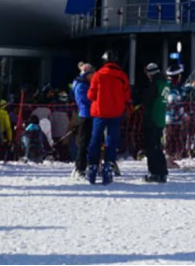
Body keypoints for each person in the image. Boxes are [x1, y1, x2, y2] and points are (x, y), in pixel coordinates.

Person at [86, 51, 130, 186]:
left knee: (96, 139)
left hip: (99, 112)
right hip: (116, 112)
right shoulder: (122, 76)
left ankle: (92, 166)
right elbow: (126, 96)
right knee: (112, 139)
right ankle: (109, 166)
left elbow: (90, 95)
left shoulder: (98, 75)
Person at [140, 63, 169, 183]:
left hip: (151, 118)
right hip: (161, 118)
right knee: (158, 147)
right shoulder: (165, 84)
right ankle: (162, 172)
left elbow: (146, 100)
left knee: (151, 147)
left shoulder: (154, 85)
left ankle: (154, 172)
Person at [70, 64, 94, 180]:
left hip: (90, 114)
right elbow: (84, 100)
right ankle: (80, 167)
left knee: (88, 142)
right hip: (86, 115)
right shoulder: (81, 85)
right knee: (84, 142)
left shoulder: (84, 84)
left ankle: (86, 165)